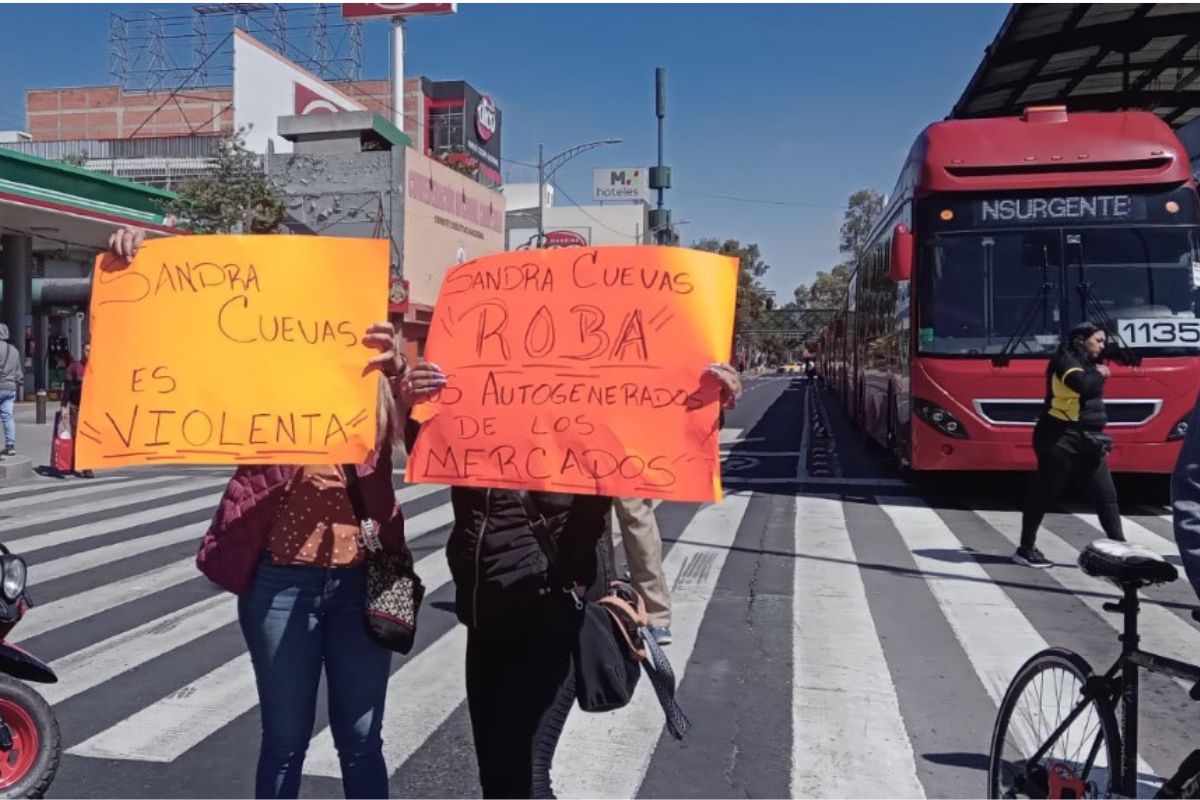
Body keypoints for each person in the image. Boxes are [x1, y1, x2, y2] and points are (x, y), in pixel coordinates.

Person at [107, 226, 431, 799]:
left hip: (365, 578)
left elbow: (432, 440)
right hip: (280, 582)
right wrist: (144, 250)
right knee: (284, 741)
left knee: (361, 739)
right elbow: (197, 319)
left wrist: (403, 377)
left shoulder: (383, 376)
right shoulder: (264, 363)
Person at [404, 360, 741, 798]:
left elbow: (656, 436)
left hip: (557, 609)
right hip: (485, 612)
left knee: (525, 775)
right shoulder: (474, 382)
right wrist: (413, 403)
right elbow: (425, 451)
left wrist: (709, 402)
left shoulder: (589, 391)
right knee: (497, 776)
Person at [610, 364, 742, 647]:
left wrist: (716, 393)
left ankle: (654, 612)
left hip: (630, 423)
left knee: (635, 516)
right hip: (577, 418)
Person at [1016, 321, 1125, 568]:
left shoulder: (1089, 361)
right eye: (1097, 340)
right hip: (1058, 436)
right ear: (1080, 341)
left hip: (1089, 438)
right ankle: (1025, 548)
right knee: (1045, 491)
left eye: (1103, 341)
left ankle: (1120, 547)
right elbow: (1084, 387)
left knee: (1106, 494)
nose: (1102, 345)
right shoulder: (1064, 361)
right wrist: (1100, 373)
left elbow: (1116, 356)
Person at [63, 343, 92, 478]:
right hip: (76, 406)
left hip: (91, 407)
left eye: (91, 351)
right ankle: (81, 464)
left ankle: (86, 464)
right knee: (77, 435)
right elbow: (67, 388)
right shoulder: (75, 367)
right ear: (82, 351)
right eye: (87, 350)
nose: (89, 353)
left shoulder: (96, 368)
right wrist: (64, 406)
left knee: (88, 435)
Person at [0, 324, 18, 458]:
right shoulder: (14, 350)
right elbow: (19, 372)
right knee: (8, 416)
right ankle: (10, 445)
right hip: (11, 388)